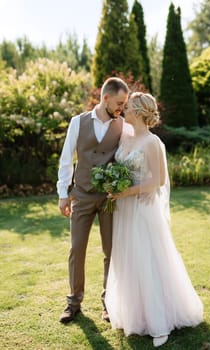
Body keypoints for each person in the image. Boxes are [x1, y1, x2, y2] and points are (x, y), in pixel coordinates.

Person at [105, 92, 203, 347]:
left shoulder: (152, 142)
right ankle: (135, 315)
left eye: (127, 107)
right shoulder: (125, 135)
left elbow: (157, 180)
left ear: (138, 112)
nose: (123, 110)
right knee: (129, 260)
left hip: (142, 209)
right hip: (125, 209)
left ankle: (160, 322)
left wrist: (126, 191)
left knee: (148, 259)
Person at [57, 77, 133, 323]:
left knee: (110, 251)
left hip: (109, 198)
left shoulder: (122, 125)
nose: (122, 107)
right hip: (81, 195)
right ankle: (73, 302)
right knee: (76, 249)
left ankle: (108, 304)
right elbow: (67, 158)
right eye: (120, 102)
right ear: (106, 97)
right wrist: (62, 194)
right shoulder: (78, 122)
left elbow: (127, 159)